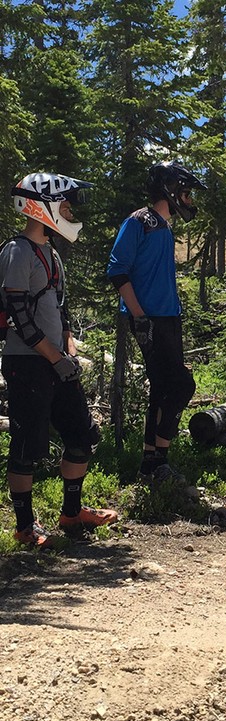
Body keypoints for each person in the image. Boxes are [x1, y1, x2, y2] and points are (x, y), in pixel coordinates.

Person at [0, 172, 118, 549]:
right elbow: (18, 314)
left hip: (57, 361)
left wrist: (67, 344)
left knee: (81, 434)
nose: (69, 208)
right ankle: (23, 526)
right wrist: (54, 356)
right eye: (63, 202)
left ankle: (71, 513)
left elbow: (59, 307)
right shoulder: (17, 251)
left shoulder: (50, 252)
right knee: (27, 444)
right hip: (28, 363)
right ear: (40, 206)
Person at [107, 160, 206, 482]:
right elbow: (117, 270)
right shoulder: (140, 221)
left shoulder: (164, 227)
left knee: (163, 389)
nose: (189, 200)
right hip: (149, 320)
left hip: (168, 318)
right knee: (181, 385)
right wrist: (139, 318)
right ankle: (158, 460)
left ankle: (151, 463)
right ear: (170, 189)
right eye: (186, 193)